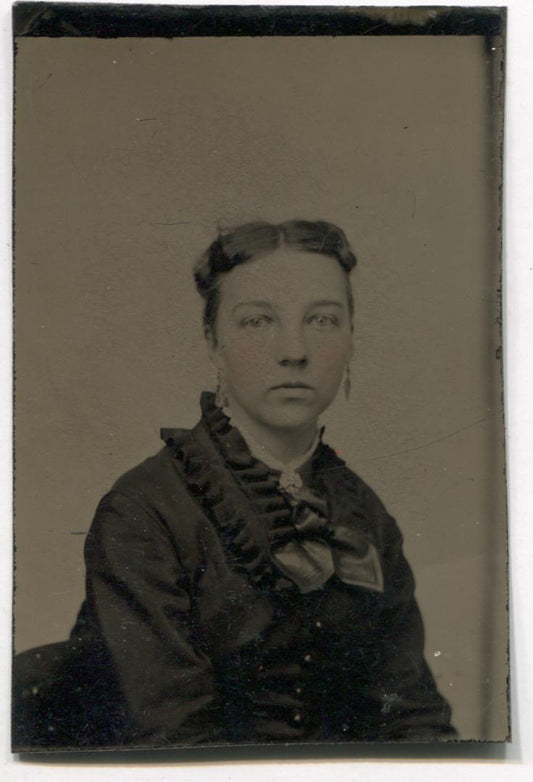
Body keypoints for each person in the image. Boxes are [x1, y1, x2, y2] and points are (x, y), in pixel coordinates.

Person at [12, 220, 455, 749]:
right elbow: (172, 741)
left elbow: (413, 718)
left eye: (322, 320)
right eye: (257, 321)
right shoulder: (145, 513)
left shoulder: (364, 515)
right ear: (212, 342)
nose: (294, 350)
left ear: (352, 338)